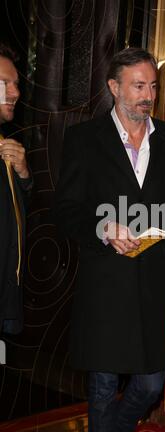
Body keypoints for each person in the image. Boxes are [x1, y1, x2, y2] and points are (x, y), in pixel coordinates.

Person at [54, 48, 165, 432]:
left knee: (149, 386)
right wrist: (102, 226)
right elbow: (65, 210)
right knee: (101, 388)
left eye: (153, 86)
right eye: (138, 85)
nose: (148, 95)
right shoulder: (83, 139)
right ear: (114, 87)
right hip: (104, 285)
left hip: (150, 283)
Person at [0, 43, 31, 335]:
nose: (15, 92)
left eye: (16, 84)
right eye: (4, 84)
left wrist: (23, 174)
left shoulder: (5, 143)